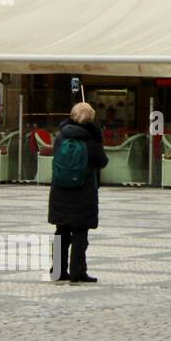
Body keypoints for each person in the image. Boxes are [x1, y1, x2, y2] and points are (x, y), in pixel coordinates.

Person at [47, 101, 108, 283]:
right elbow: (102, 162)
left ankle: (57, 271)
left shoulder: (60, 136)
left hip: (60, 191)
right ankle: (77, 271)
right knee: (80, 232)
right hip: (83, 192)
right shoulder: (91, 139)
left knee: (61, 230)